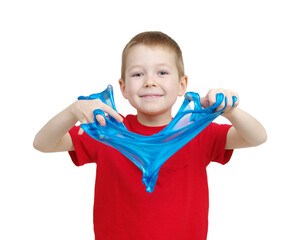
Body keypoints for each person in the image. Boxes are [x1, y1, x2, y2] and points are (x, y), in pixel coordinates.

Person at [33, 31, 267, 240]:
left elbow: (257, 137)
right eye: (137, 75)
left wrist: (229, 110)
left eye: (162, 72)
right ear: (123, 88)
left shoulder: (197, 132)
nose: (150, 82)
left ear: (182, 85)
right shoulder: (108, 131)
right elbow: (43, 143)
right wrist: (73, 110)